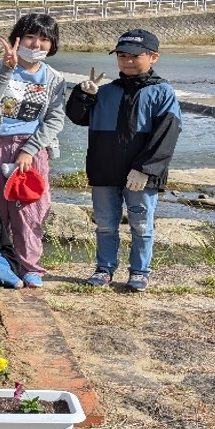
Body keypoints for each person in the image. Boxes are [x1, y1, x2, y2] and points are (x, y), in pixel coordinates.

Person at [66, 29, 181, 292]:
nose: (127, 61)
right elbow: (77, 117)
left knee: (141, 225)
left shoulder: (162, 92)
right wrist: (83, 94)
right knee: (106, 225)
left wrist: (145, 169)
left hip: (141, 174)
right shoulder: (106, 91)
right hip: (104, 169)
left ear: (153, 57)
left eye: (135, 56)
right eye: (122, 55)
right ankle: (104, 268)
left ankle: (140, 272)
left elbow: (168, 133)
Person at [0, 14, 67, 288]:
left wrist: (29, 149)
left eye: (44, 39)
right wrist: (6, 69)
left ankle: (30, 267)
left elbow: (55, 119)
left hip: (31, 150)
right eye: (30, 37)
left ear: (52, 45)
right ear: (18, 38)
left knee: (30, 210)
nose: (36, 44)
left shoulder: (54, 78)